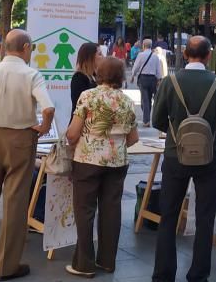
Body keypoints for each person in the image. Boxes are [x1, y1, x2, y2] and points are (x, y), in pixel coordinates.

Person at [0, 29, 55, 281]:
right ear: (25, 48)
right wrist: (44, 127)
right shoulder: (31, 75)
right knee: (15, 204)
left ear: (5, 47)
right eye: (32, 48)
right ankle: (6, 266)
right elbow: (48, 108)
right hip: (21, 141)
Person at [151, 36, 216, 282]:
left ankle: (163, 274)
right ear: (209, 55)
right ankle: (198, 274)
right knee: (205, 218)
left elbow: (157, 121)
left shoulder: (169, 82)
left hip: (175, 156)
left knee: (168, 216)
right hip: (209, 158)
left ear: (185, 54)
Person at [66, 57, 139, 277]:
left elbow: (72, 133)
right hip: (117, 162)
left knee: (85, 211)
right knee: (111, 211)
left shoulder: (88, 96)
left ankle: (84, 264)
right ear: (121, 76)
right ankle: (107, 261)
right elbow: (133, 138)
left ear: (99, 74)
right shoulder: (126, 101)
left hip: (88, 161)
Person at [130, 38, 162, 127]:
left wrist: (133, 75)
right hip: (153, 79)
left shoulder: (141, 55)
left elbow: (136, 66)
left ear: (143, 46)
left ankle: (146, 120)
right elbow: (158, 69)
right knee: (149, 99)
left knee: (145, 99)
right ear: (151, 46)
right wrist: (159, 79)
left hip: (143, 79)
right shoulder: (155, 56)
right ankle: (147, 118)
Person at [70, 42, 101, 121]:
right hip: (81, 124)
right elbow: (81, 106)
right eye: (99, 54)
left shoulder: (94, 76)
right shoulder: (79, 77)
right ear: (90, 57)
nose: (103, 57)